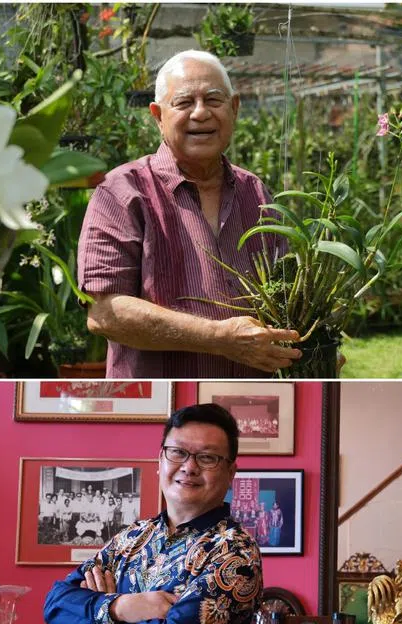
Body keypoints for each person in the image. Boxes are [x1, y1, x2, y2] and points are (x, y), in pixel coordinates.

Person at [43, 403, 262, 624]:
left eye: (207, 457)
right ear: (160, 459)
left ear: (230, 471)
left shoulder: (234, 554)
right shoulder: (131, 539)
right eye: (178, 452)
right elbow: (56, 603)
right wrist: (122, 607)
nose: (189, 467)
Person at [77, 50, 302, 378]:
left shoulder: (254, 193)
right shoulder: (123, 191)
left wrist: (311, 351)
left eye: (213, 99)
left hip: (252, 398)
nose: (201, 113)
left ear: (234, 108)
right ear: (158, 116)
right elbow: (104, 313)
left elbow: (286, 294)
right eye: (184, 102)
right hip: (160, 399)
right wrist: (219, 339)